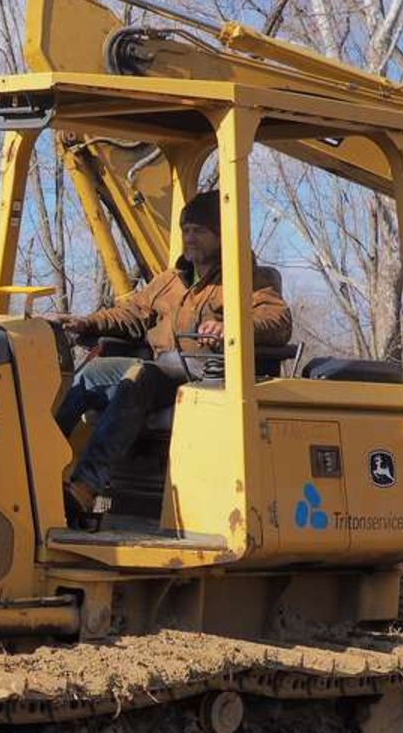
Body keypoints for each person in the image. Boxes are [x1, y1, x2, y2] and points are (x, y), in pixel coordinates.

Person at [54, 190, 292, 522]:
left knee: (138, 380)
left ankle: (86, 486)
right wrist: (86, 321)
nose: (190, 238)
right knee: (90, 375)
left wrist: (233, 327)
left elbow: (277, 321)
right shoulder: (170, 280)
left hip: (207, 372)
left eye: (199, 231)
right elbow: (132, 314)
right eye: (186, 230)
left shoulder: (247, 279)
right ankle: (40, 467)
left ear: (221, 235)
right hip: (162, 365)